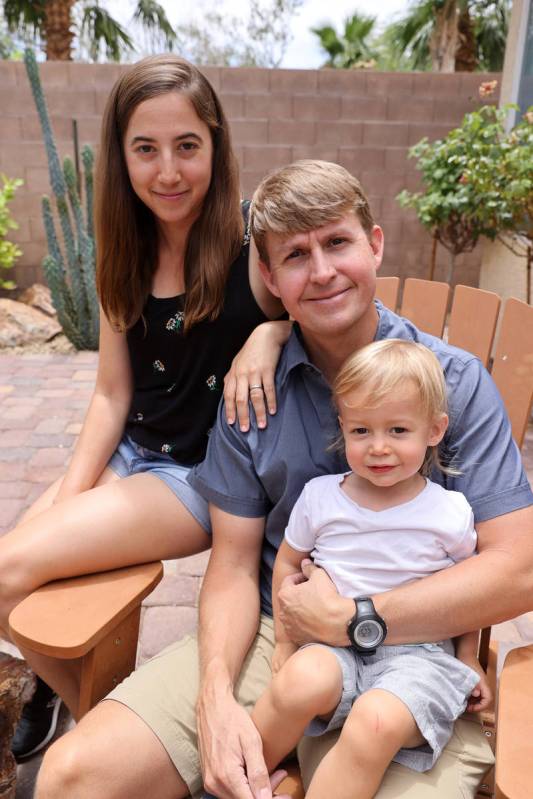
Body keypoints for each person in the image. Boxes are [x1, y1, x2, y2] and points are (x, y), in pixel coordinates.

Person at [36, 160, 533, 799]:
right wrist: (215, 696)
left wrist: (358, 619)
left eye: (337, 242)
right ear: (269, 278)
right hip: (277, 634)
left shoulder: (453, 385)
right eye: (295, 255)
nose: (322, 271)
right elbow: (236, 565)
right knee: (71, 780)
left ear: (375, 245)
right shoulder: (252, 390)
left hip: (419, 654)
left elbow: (518, 569)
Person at [0, 54, 289, 760]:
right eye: (145, 149)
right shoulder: (120, 251)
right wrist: (71, 493)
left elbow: (337, 312)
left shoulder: (255, 246)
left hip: (197, 477)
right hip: (131, 449)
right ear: (120, 156)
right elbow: (110, 393)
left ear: (215, 146)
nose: (168, 171)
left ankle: (101, 729)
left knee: (7, 568)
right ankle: (77, 696)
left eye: (186, 146)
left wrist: (271, 330)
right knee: (11, 585)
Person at [251, 338, 491, 799]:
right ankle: (244, 782)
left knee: (374, 722)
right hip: (331, 646)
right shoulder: (322, 497)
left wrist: (466, 657)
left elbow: (471, 593)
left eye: (398, 431)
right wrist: (286, 640)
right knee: (299, 682)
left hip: (420, 658)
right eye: (361, 431)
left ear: (434, 430)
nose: (378, 448)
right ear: (343, 427)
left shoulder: (449, 512)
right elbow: (287, 562)